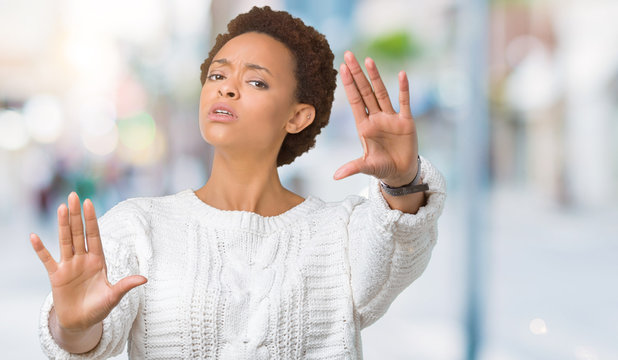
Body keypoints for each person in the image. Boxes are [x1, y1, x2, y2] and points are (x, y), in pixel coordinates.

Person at [31, 6, 446, 359]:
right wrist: (72, 325)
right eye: (217, 76)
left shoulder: (340, 233)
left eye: (256, 81)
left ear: (297, 116)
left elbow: (397, 247)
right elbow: (88, 340)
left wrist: (401, 181)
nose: (227, 89)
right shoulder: (139, 226)